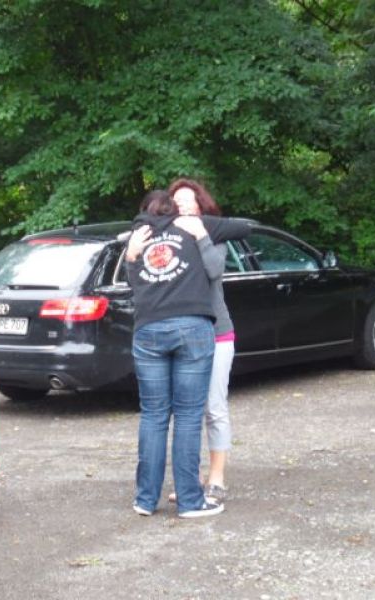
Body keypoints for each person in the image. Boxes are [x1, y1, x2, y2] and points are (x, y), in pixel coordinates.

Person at [125, 189, 249, 518]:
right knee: (189, 415)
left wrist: (131, 256)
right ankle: (191, 501)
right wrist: (198, 228)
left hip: (149, 329)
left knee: (153, 415)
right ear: (170, 208)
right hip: (192, 327)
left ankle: (145, 499)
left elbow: (134, 284)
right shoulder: (187, 227)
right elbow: (245, 228)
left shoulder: (139, 233)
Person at [168, 178, 233, 507]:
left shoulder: (214, 235)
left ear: (200, 205)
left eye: (187, 200)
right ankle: (189, 481)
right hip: (182, 333)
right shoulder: (167, 239)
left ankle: (216, 478)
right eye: (176, 201)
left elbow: (215, 270)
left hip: (217, 332)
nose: (181, 205)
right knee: (186, 410)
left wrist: (200, 235)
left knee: (214, 408)